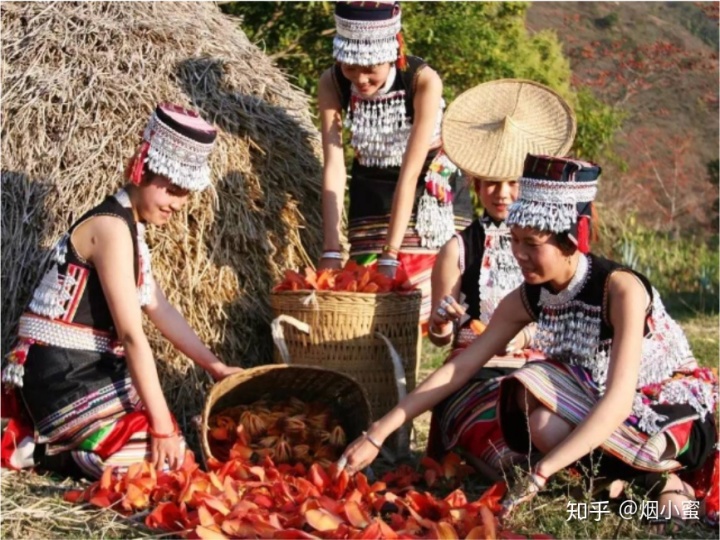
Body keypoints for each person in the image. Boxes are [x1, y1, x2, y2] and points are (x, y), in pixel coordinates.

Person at [337, 154, 718, 524]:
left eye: (532, 244)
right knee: (534, 408)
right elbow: (460, 368)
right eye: (515, 241)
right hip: (597, 404)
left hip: (663, 409)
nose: (519, 254)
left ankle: (662, 480)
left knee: (540, 383)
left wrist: (542, 471)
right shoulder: (531, 294)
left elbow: (619, 401)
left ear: (571, 241)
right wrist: (377, 433)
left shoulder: (621, 291)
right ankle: (615, 488)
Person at [0, 103, 242, 479]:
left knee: (176, 459)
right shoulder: (111, 228)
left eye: (185, 194)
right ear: (142, 169)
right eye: (172, 190)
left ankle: (59, 444)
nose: (178, 204)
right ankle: (43, 451)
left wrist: (215, 366)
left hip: (93, 370)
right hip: (61, 376)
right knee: (152, 463)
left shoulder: (130, 228)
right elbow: (131, 336)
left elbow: (160, 308)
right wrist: (162, 427)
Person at [425, 80, 577, 475]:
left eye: (512, 183)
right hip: (476, 374)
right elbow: (440, 336)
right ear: (476, 186)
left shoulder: (556, 248)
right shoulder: (457, 250)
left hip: (540, 370)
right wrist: (442, 322)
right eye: (492, 183)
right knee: (507, 453)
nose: (503, 193)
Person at [317, 0, 473, 328]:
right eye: (350, 66)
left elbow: (411, 170)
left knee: (430, 304)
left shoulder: (423, 81)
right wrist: (331, 248)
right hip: (371, 188)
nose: (360, 79)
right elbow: (334, 166)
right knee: (365, 297)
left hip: (425, 187)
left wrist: (391, 253)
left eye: (370, 67)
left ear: (394, 53)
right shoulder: (331, 83)